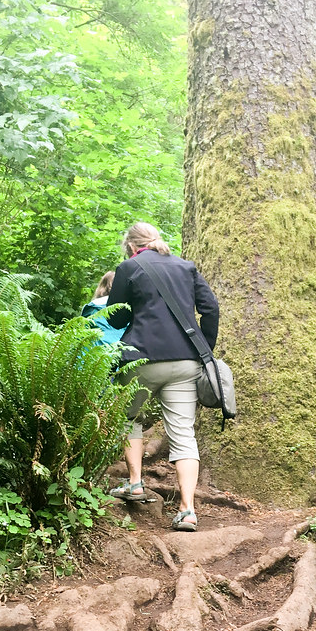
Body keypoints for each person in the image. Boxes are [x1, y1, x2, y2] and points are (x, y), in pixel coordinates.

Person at [105, 221, 219, 532]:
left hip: (141, 359)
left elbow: (115, 315)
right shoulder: (186, 267)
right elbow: (210, 308)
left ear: (131, 246)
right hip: (185, 361)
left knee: (127, 418)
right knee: (183, 434)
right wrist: (203, 345)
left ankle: (135, 483)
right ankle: (187, 510)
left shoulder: (129, 267)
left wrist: (136, 314)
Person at [81, 271, 127, 346]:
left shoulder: (91, 307)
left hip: (95, 350)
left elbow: (82, 333)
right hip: (121, 350)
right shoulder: (127, 307)